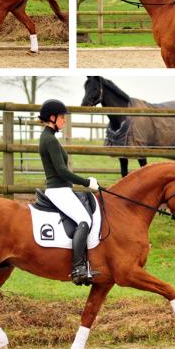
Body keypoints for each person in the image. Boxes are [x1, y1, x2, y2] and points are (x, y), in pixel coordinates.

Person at [38, 99, 100, 286]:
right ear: (52, 117)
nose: (64, 121)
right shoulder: (49, 140)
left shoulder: (49, 138)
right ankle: (78, 267)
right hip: (59, 190)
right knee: (85, 221)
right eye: (62, 117)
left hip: (62, 189)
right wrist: (87, 182)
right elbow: (62, 172)